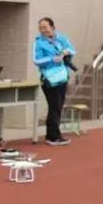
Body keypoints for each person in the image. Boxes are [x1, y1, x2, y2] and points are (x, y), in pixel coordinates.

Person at [33, 17, 77, 146]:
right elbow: (37, 60)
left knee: (58, 106)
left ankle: (54, 135)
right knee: (54, 106)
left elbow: (73, 50)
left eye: (45, 27)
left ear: (52, 27)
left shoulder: (61, 38)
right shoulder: (39, 42)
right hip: (48, 79)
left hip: (62, 77)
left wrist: (66, 51)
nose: (43, 30)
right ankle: (53, 136)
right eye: (41, 27)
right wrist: (53, 59)